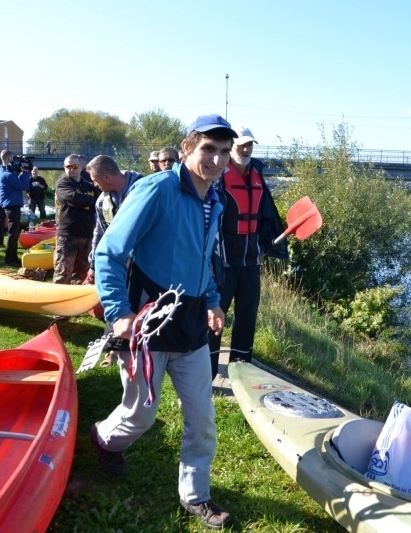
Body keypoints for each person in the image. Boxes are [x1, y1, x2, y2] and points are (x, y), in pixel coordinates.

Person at [91, 114, 235, 529]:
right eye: (209, 149)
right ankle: (104, 440)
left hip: (191, 327)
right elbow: (109, 253)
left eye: (224, 152)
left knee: (202, 419)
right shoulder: (156, 189)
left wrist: (212, 302)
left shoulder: (215, 200)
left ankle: (196, 495)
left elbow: (201, 259)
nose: (217, 160)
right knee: (141, 415)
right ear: (188, 148)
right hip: (147, 325)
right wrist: (119, 313)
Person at [208, 126, 288, 379]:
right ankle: (207, 372)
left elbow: (266, 215)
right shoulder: (218, 177)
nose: (246, 149)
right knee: (214, 319)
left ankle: (241, 370)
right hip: (223, 263)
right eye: (241, 144)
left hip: (251, 261)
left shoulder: (257, 175)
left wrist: (267, 246)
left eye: (249, 145)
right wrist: (207, 258)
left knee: (247, 317)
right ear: (231, 146)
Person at [85, 154, 143, 284]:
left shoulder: (145, 189)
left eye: (95, 180)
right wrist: (93, 264)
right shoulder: (102, 202)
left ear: (106, 177)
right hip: (121, 264)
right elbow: (100, 233)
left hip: (147, 263)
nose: (94, 184)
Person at [53, 153, 98, 284]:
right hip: (68, 235)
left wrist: (87, 205)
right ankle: (58, 297)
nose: (71, 169)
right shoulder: (62, 183)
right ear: (64, 167)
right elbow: (73, 198)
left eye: (75, 166)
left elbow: (99, 202)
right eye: (68, 166)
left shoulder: (89, 186)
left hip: (87, 236)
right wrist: (88, 203)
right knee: (63, 274)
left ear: (81, 167)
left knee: (82, 275)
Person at [0, 150, 31, 267]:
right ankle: (9, 259)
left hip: (10, 205)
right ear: (8, 159)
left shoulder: (1, 172)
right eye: (13, 158)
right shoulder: (8, 175)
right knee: (13, 233)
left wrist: (19, 172)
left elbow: (15, 181)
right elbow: (24, 186)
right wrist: (25, 172)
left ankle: (13, 257)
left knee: (15, 233)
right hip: (12, 206)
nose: (14, 161)